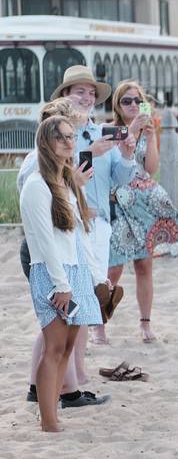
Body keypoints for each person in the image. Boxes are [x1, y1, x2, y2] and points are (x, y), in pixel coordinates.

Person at [18, 99, 111, 409]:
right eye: (64, 134)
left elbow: (75, 229)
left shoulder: (62, 176)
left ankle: (61, 392)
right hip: (47, 259)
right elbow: (44, 234)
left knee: (63, 339)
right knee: (53, 339)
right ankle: (55, 401)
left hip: (66, 260)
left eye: (74, 134)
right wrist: (61, 281)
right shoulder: (38, 172)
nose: (71, 140)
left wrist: (95, 275)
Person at [49, 65, 138, 346]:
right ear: (65, 95)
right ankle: (72, 352)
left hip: (98, 220)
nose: (87, 98)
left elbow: (120, 179)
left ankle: (81, 352)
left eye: (91, 93)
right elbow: (59, 173)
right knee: (70, 286)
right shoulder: (55, 132)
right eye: (80, 92)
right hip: (66, 219)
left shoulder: (103, 131)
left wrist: (126, 155)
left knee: (91, 288)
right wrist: (90, 152)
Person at [107, 81, 178, 343]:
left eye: (137, 100)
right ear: (117, 106)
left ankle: (145, 323)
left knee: (144, 265)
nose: (132, 105)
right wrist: (131, 131)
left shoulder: (146, 132)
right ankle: (98, 325)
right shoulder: (110, 131)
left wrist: (152, 135)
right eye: (126, 101)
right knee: (113, 268)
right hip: (117, 201)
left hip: (143, 203)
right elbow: (113, 168)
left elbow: (151, 168)